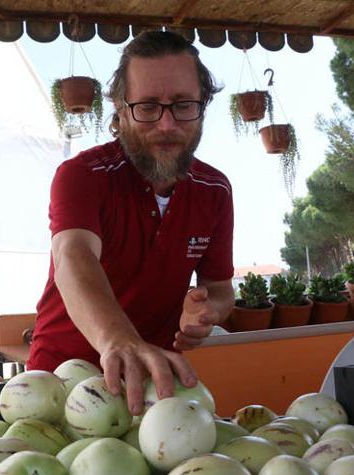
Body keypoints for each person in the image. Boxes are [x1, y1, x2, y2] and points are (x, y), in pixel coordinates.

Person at [27, 30, 236, 415]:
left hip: (153, 392)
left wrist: (208, 312)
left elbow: (220, 287)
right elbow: (72, 256)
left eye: (183, 104)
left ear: (202, 105)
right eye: (148, 106)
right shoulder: (83, 176)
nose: (167, 124)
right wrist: (116, 340)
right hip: (59, 387)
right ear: (121, 110)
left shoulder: (215, 190)